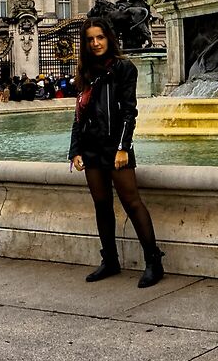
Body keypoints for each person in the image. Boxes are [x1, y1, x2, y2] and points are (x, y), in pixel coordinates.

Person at [69, 19, 162, 287]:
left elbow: (128, 112)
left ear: (109, 38)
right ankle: (110, 260)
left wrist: (123, 147)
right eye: (90, 39)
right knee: (101, 205)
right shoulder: (85, 72)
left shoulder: (123, 68)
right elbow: (78, 116)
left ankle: (153, 260)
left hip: (115, 147)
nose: (96, 43)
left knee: (132, 202)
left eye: (100, 37)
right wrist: (75, 150)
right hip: (91, 148)